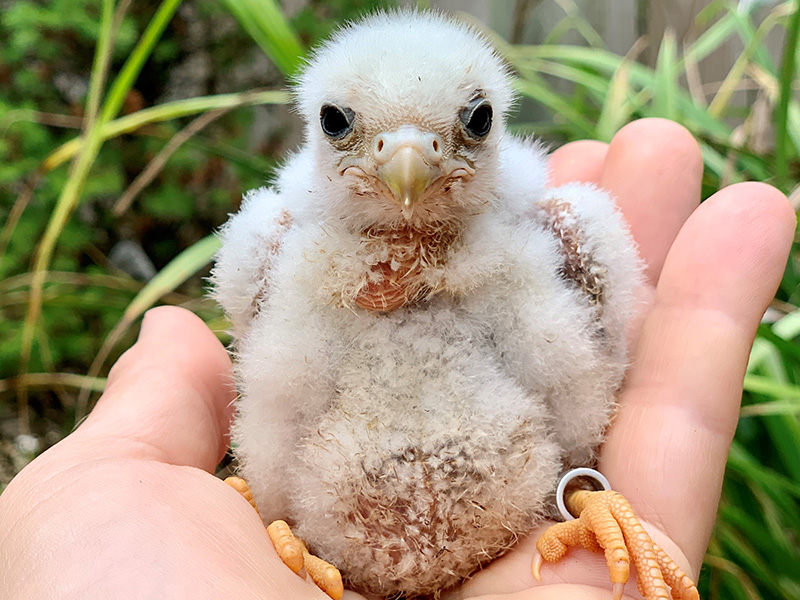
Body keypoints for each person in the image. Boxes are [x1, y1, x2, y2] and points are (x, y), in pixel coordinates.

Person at [0, 119, 795, 599]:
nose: (408, 164)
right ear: (321, 130)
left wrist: (588, 493)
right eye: (349, 126)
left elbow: (576, 383)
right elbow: (279, 401)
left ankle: (592, 505)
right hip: (330, 541)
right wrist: (268, 515)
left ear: (493, 124)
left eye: (468, 124)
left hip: (522, 516)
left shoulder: (547, 233)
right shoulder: (282, 243)